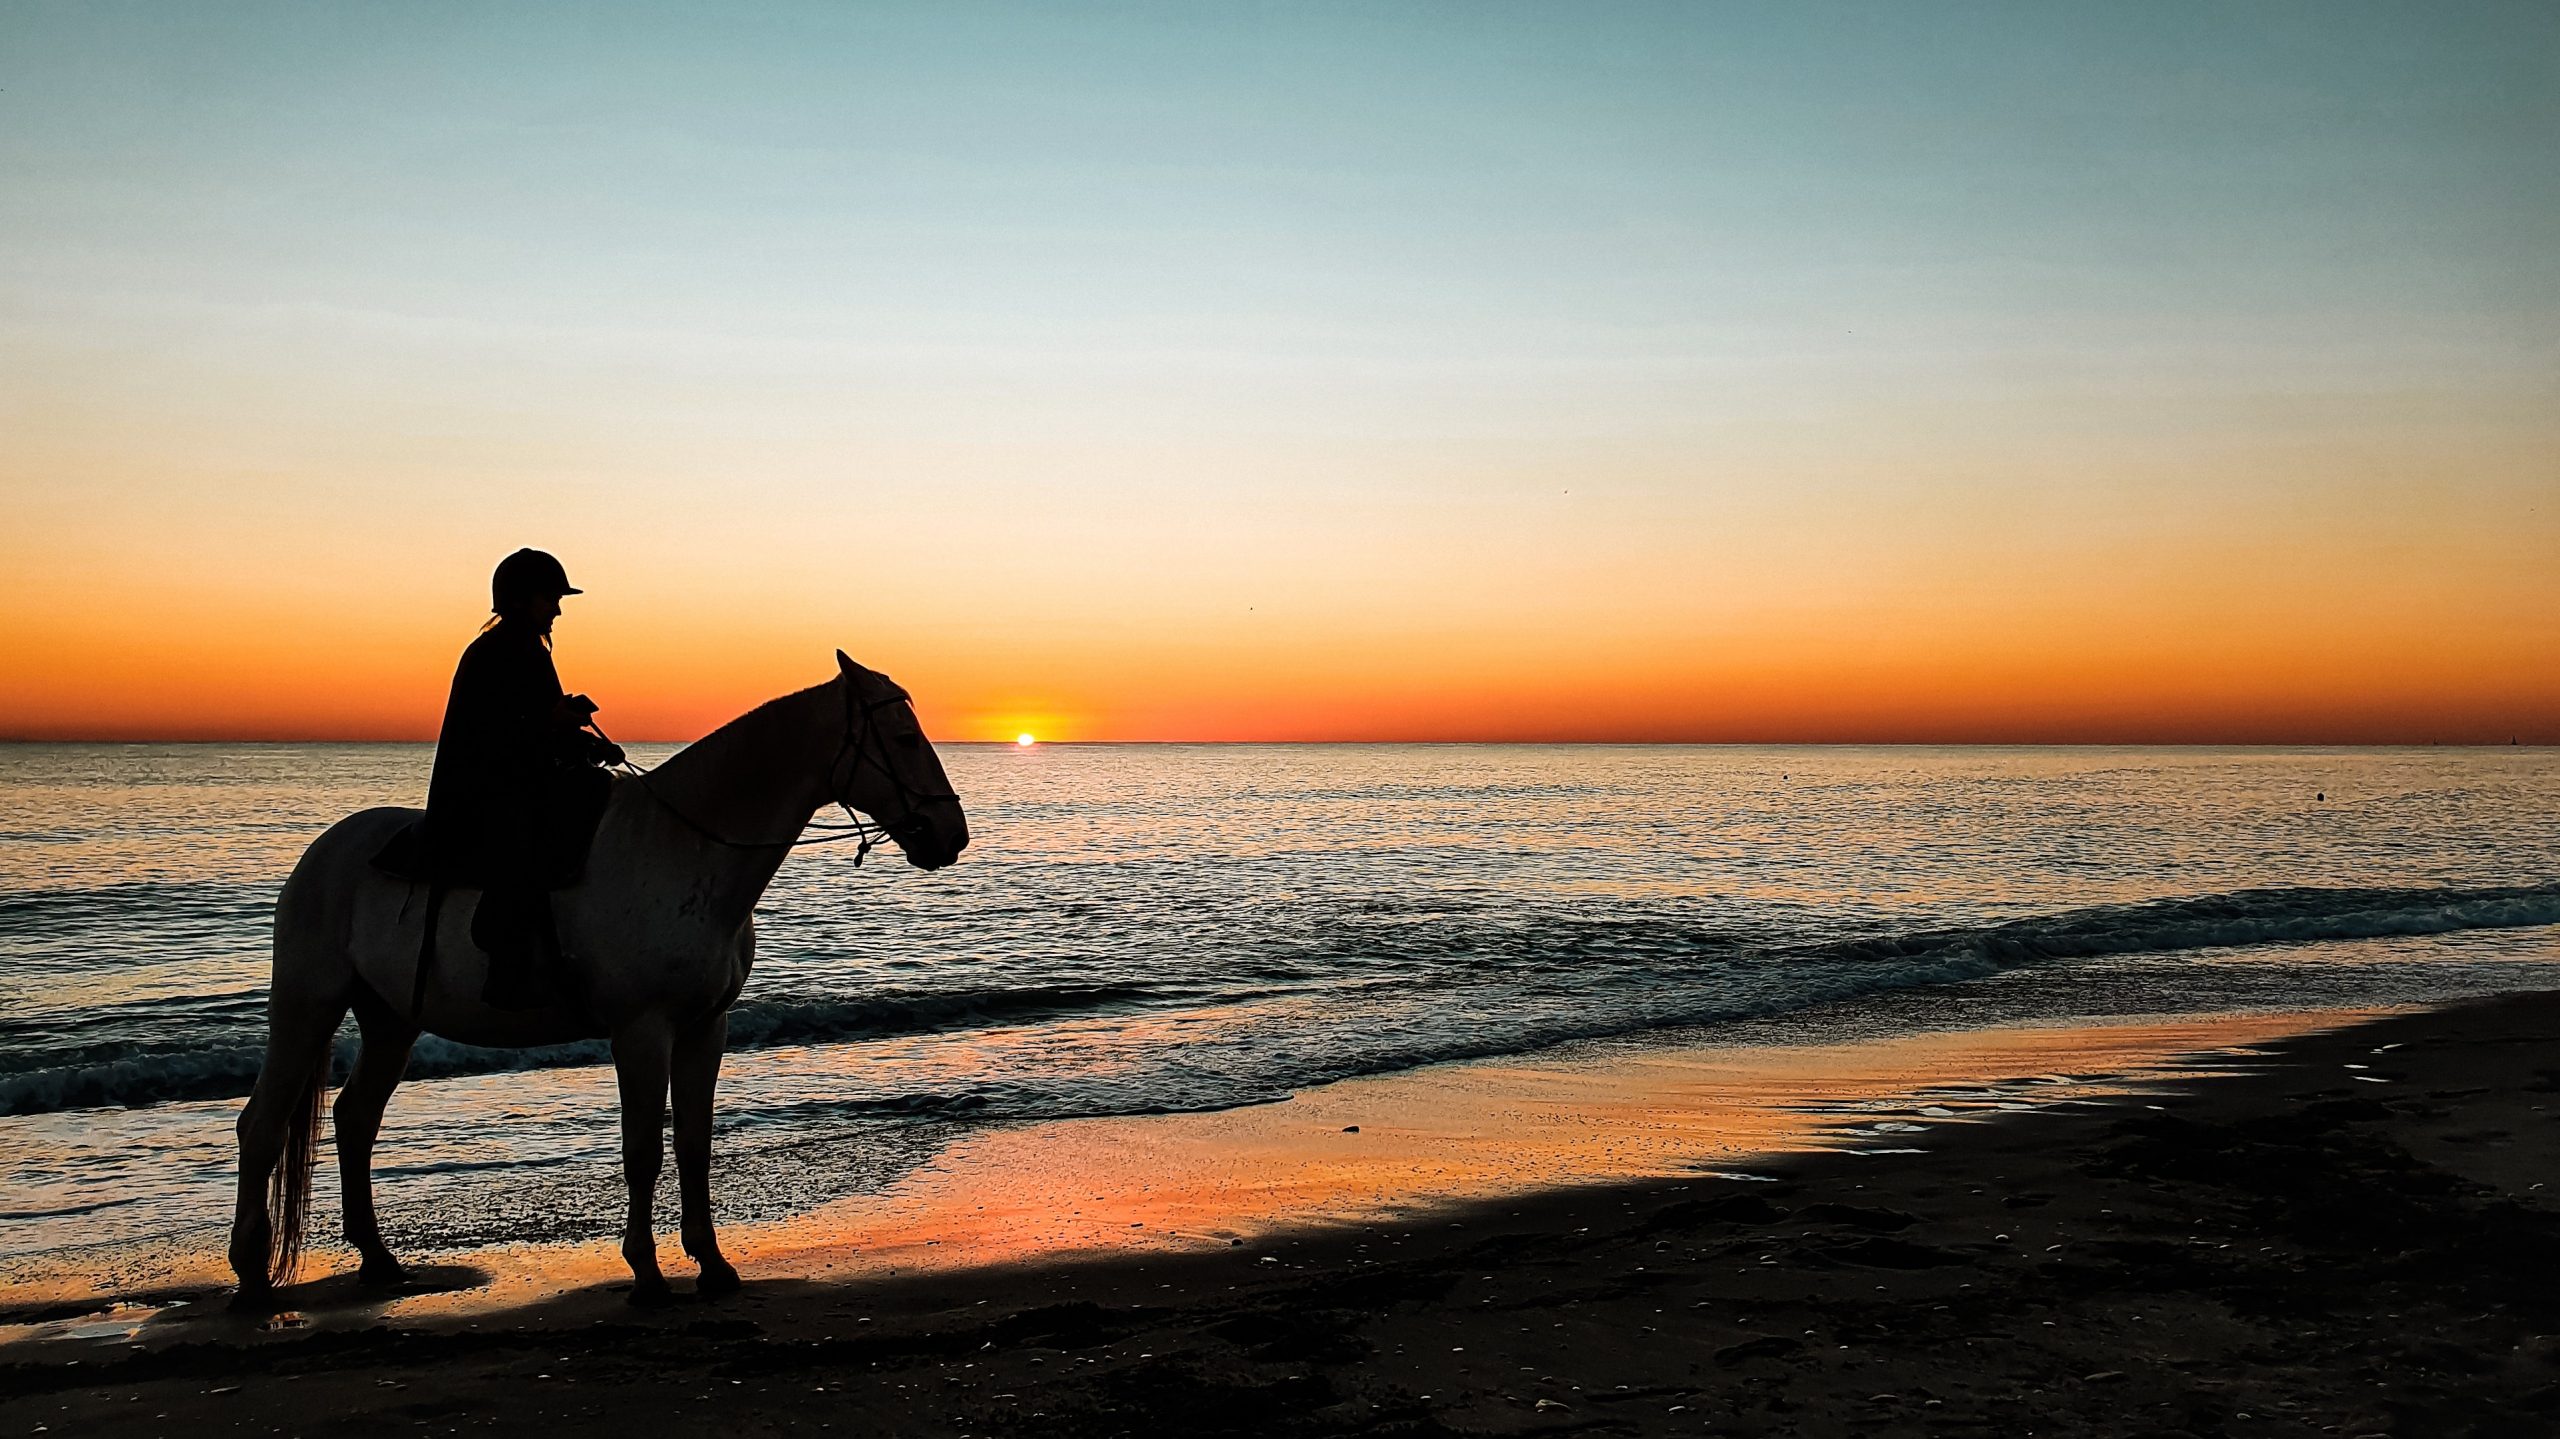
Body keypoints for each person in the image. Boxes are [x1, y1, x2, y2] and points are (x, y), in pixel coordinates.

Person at [419, 548, 625, 1007]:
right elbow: (502, 732)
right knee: (525, 843)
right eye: (550, 598)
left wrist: (588, 743)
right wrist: (559, 722)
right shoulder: (502, 651)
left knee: (594, 791)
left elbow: (538, 725)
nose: (556, 609)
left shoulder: (522, 648)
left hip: (514, 777)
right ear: (520, 600)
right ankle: (507, 966)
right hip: (486, 790)